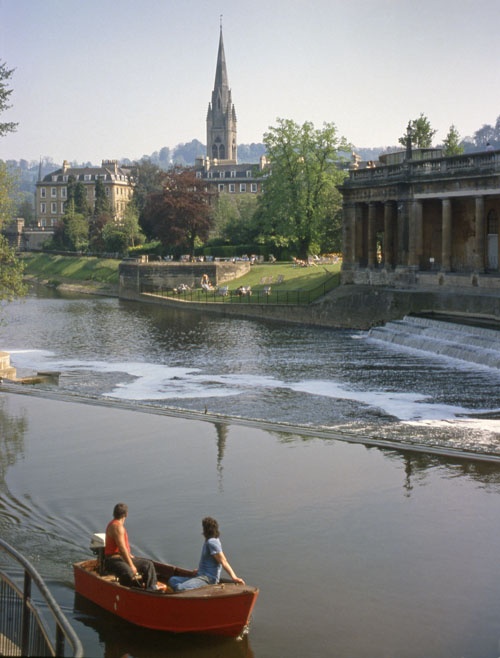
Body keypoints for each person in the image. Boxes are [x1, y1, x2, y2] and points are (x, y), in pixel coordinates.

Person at [168, 517, 245, 592]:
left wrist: (234, 578)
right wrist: (199, 570)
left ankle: (193, 591)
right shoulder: (209, 541)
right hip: (200, 575)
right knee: (172, 579)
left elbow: (223, 561)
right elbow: (210, 561)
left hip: (208, 579)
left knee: (180, 588)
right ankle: (191, 589)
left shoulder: (212, 542)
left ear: (206, 530)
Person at [104, 502, 159, 590]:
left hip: (121, 558)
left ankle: (152, 589)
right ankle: (127, 591)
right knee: (128, 572)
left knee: (148, 565)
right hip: (112, 560)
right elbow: (122, 548)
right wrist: (131, 565)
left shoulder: (117, 525)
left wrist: (129, 556)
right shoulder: (117, 527)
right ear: (126, 514)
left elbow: (122, 548)